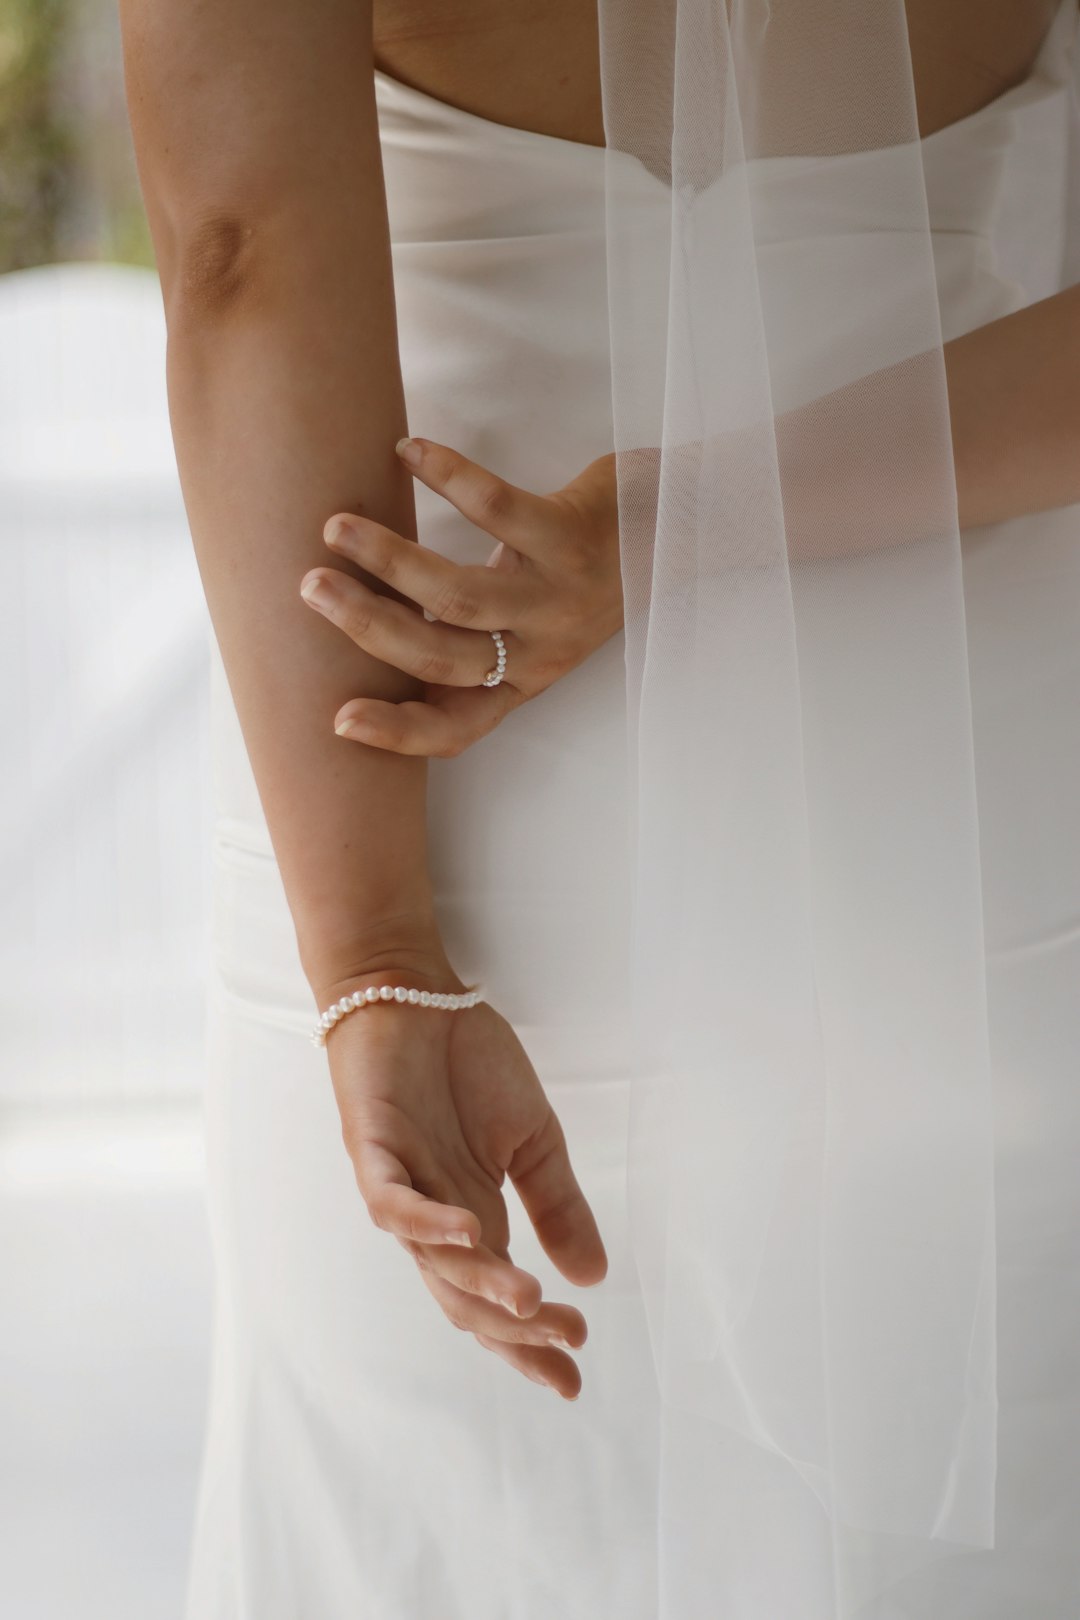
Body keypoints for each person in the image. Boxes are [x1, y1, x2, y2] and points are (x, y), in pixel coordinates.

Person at [117, 0, 1080, 1613]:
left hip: (417, 791)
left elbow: (240, 251)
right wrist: (685, 525)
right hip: (944, 798)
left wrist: (376, 957)